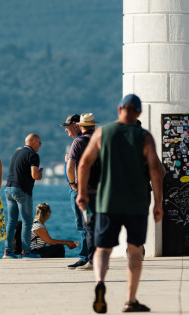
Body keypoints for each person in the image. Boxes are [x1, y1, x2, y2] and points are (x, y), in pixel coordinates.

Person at [75, 94, 164, 314]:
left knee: (103, 248)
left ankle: (99, 283)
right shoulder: (144, 137)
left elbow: (84, 163)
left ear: (119, 109)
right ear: (139, 112)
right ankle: (130, 300)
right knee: (135, 250)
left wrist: (82, 192)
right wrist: (158, 203)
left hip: (107, 200)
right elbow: (156, 171)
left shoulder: (103, 132)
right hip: (136, 201)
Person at [67, 113, 100, 270]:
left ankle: (93, 261)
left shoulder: (78, 142)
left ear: (80, 126)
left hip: (85, 191)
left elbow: (69, 167)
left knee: (88, 226)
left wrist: (73, 183)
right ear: (94, 126)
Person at [3, 133, 43, 259]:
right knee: (27, 222)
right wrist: (40, 174)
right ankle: (26, 252)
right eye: (39, 144)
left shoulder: (17, 153)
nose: (40, 146)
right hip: (22, 190)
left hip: (8, 188)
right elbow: (35, 175)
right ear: (34, 142)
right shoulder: (33, 155)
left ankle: (7, 251)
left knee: (11, 222)